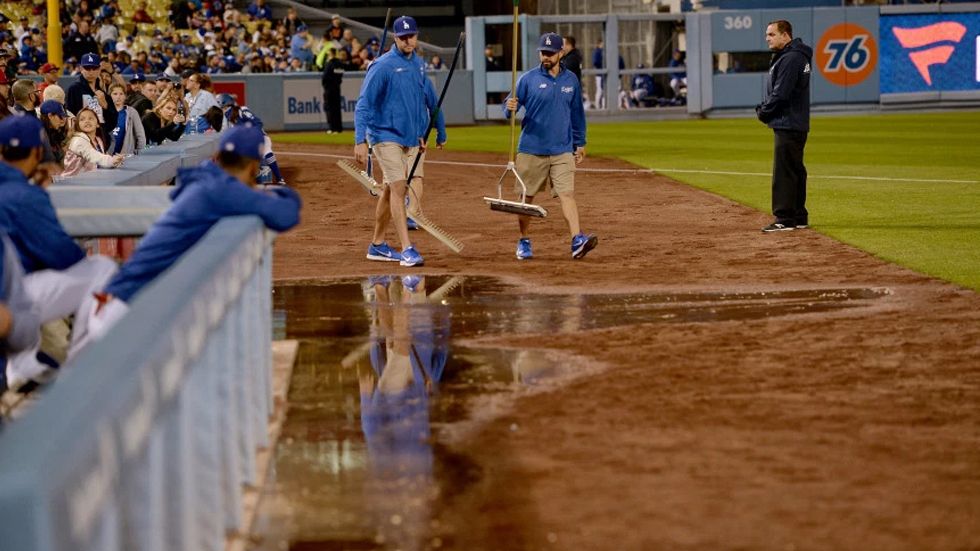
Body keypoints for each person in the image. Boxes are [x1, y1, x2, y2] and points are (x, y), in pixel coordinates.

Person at [68, 125, 302, 356]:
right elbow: (287, 213)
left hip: (114, 301)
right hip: (126, 312)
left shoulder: (206, 180)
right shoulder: (223, 191)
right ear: (254, 165)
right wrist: (265, 192)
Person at [0, 116, 117, 391]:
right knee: (102, 268)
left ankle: (22, 365)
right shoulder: (24, 195)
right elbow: (65, 256)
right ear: (37, 152)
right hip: (13, 301)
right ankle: (80, 366)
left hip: (9, 300)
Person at [353, 15, 447, 268]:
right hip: (384, 135)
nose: (408, 40)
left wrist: (424, 130)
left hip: (409, 137)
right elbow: (364, 104)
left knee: (388, 190)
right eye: (403, 37)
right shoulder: (382, 66)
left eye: (412, 36)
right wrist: (360, 139)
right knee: (398, 187)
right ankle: (407, 248)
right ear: (395, 38)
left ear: (417, 36)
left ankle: (377, 244)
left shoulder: (418, 64)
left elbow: (419, 101)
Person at [504, 33, 596, 261]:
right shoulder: (527, 79)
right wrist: (510, 106)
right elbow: (509, 108)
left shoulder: (571, 80)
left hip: (562, 150)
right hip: (531, 148)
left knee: (567, 194)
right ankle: (524, 240)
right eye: (542, 52)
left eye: (550, 53)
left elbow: (577, 114)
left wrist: (580, 142)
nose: (545, 57)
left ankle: (577, 239)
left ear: (561, 53)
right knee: (527, 200)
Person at [756, 20, 812, 232]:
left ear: (785, 35)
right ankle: (798, 216)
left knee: (784, 172)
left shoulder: (790, 58)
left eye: (771, 34)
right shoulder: (796, 56)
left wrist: (763, 112)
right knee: (795, 169)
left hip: (788, 122)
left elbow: (781, 93)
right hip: (795, 122)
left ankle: (784, 218)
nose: (767, 38)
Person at [217, 93, 286, 185]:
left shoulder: (242, 110)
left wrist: (250, 135)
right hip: (243, 143)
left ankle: (279, 178)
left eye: (221, 106)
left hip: (259, 137)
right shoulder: (224, 119)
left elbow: (258, 123)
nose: (220, 109)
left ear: (225, 104)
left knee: (267, 151)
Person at [65, 53, 118, 146]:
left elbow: (113, 122)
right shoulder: (74, 89)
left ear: (99, 69)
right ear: (81, 69)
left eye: (94, 68)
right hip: (81, 140)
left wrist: (105, 106)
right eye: (87, 68)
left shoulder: (102, 92)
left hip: (101, 139)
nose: (91, 71)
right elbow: (69, 116)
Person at [62, 107, 125, 177]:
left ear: (98, 124)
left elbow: (101, 161)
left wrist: (115, 162)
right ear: (78, 125)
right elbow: (94, 156)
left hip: (89, 181)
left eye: (90, 118)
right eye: (82, 119)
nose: (87, 121)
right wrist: (111, 160)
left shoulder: (98, 140)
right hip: (71, 183)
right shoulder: (78, 140)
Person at [108, 83, 146, 155]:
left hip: (126, 156)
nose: (118, 97)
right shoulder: (105, 112)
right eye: (115, 94)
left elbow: (140, 135)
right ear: (110, 96)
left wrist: (140, 153)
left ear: (125, 96)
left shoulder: (132, 112)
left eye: (121, 94)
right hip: (107, 156)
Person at [322, 48, 347, 134]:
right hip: (337, 88)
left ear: (331, 54)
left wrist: (325, 85)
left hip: (329, 88)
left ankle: (332, 128)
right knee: (336, 108)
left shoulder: (330, 64)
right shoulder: (340, 64)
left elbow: (325, 77)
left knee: (330, 108)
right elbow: (340, 75)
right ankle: (338, 128)